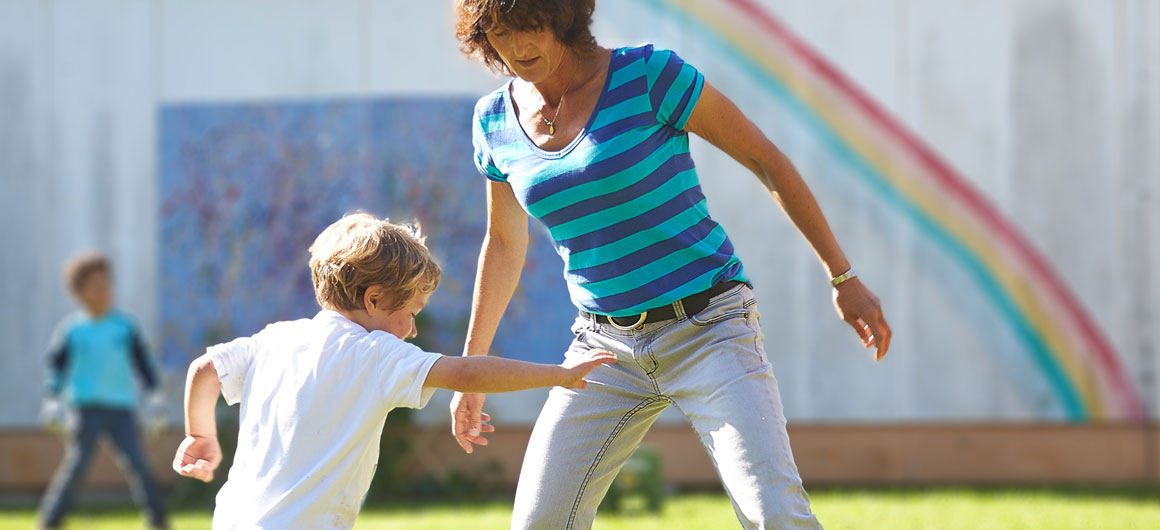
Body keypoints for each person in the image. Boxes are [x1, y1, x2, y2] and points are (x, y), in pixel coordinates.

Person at [452, 1, 893, 528]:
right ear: (483, 36)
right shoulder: (494, 121)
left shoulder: (648, 75)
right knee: (538, 523)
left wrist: (842, 277)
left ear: (563, 17)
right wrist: (470, 370)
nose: (521, 46)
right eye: (502, 32)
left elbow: (764, 159)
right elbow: (503, 243)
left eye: (533, 26)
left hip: (709, 328)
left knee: (773, 514)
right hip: (602, 351)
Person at [171, 212, 617, 529]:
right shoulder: (374, 353)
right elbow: (464, 374)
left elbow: (205, 370)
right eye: (412, 311)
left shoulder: (276, 338)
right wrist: (558, 374)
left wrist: (201, 435)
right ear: (375, 300)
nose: (414, 328)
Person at [39, 253, 169, 530]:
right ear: (79, 292)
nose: (103, 291)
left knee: (139, 464)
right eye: (95, 285)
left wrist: (155, 396)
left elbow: (142, 363)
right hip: (85, 409)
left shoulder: (125, 327)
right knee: (76, 468)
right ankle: (50, 521)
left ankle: (158, 520)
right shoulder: (72, 331)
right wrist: (52, 398)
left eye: (107, 284)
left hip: (121, 408)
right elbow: (56, 367)